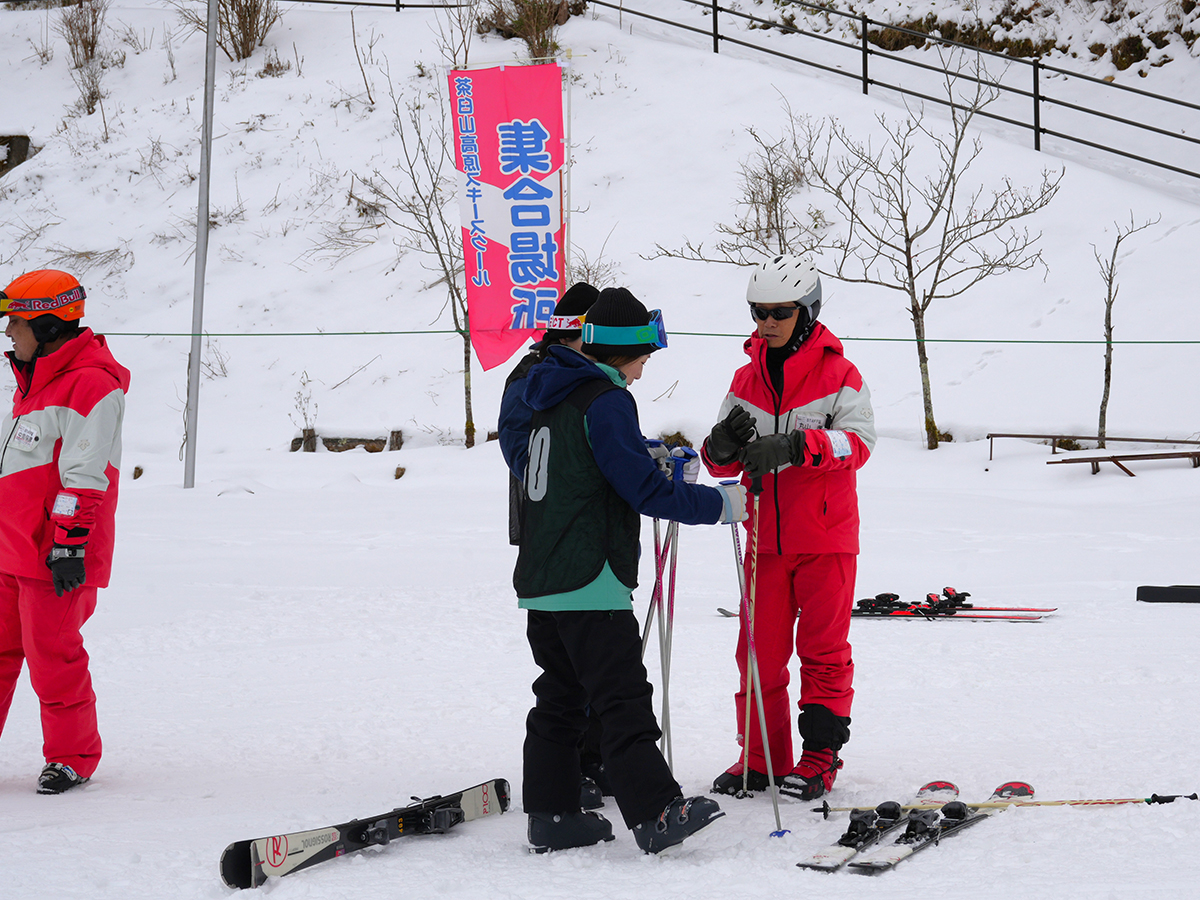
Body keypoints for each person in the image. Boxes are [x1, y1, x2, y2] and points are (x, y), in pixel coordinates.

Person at [515, 287, 748, 854]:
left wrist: (642, 455)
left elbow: (581, 467)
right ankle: (657, 812)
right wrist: (722, 506)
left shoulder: (549, 388)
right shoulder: (606, 399)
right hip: (590, 573)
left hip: (544, 574)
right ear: (623, 349)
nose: (646, 367)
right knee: (619, 696)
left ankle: (551, 814)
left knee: (561, 696)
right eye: (645, 354)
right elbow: (640, 491)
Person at [700, 255, 875, 802]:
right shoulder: (745, 377)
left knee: (822, 650)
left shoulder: (839, 374)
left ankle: (819, 757)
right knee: (756, 652)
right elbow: (720, 464)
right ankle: (759, 759)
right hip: (765, 543)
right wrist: (720, 447)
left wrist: (802, 445)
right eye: (758, 312)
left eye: (780, 312)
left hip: (824, 540)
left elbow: (859, 444)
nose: (767, 323)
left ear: (806, 312)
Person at [0, 269, 130, 794]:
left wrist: (69, 545)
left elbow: (84, 475)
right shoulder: (37, 381)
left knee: (53, 659)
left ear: (50, 327)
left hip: (55, 556)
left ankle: (73, 756)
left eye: (16, 325)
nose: (9, 334)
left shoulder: (91, 384)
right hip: (12, 547)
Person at [497, 281, 610, 809]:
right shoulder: (532, 376)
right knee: (564, 664)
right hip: (549, 537)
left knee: (601, 660)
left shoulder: (596, 375)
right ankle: (570, 770)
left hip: (594, 537)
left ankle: (600, 756)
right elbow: (524, 455)